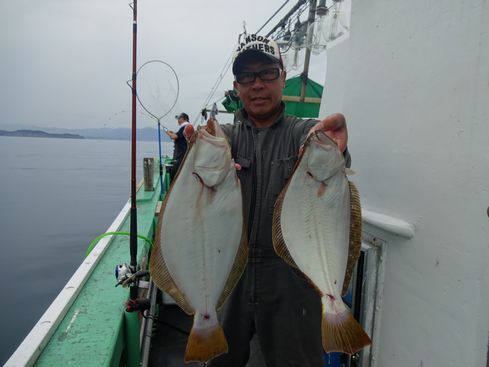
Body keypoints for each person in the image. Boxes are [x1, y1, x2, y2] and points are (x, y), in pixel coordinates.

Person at [208, 34, 350, 367]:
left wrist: (335, 145)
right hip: (230, 278)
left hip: (292, 282)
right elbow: (211, 140)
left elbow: (327, 148)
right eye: (247, 76)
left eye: (267, 73)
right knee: (218, 361)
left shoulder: (303, 133)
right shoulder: (224, 138)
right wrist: (200, 151)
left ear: (282, 78)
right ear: (237, 86)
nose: (256, 84)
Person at [166, 112, 192, 181]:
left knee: (174, 170)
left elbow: (173, 137)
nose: (178, 120)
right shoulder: (186, 127)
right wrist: (172, 133)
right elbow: (179, 136)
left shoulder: (185, 127)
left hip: (181, 153)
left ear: (184, 119)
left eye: (179, 118)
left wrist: (167, 132)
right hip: (183, 152)